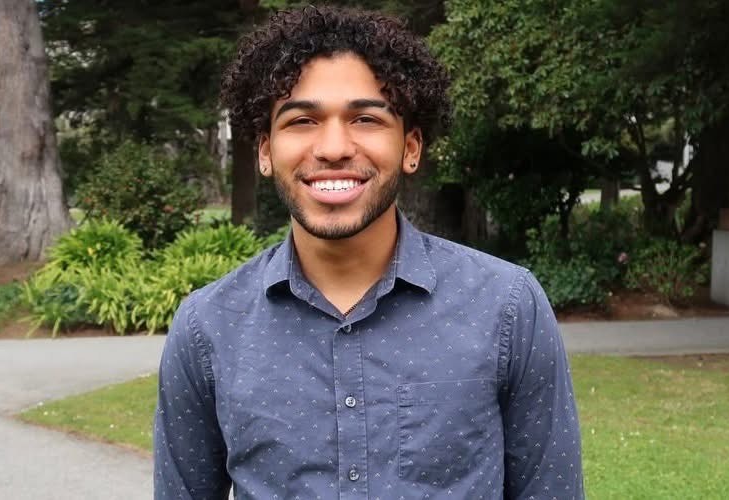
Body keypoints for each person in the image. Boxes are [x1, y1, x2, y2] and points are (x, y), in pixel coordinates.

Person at [154, 6, 584, 499]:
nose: (334, 146)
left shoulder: (507, 307)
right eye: (302, 120)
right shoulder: (208, 328)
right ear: (265, 152)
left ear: (411, 147)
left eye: (365, 118)